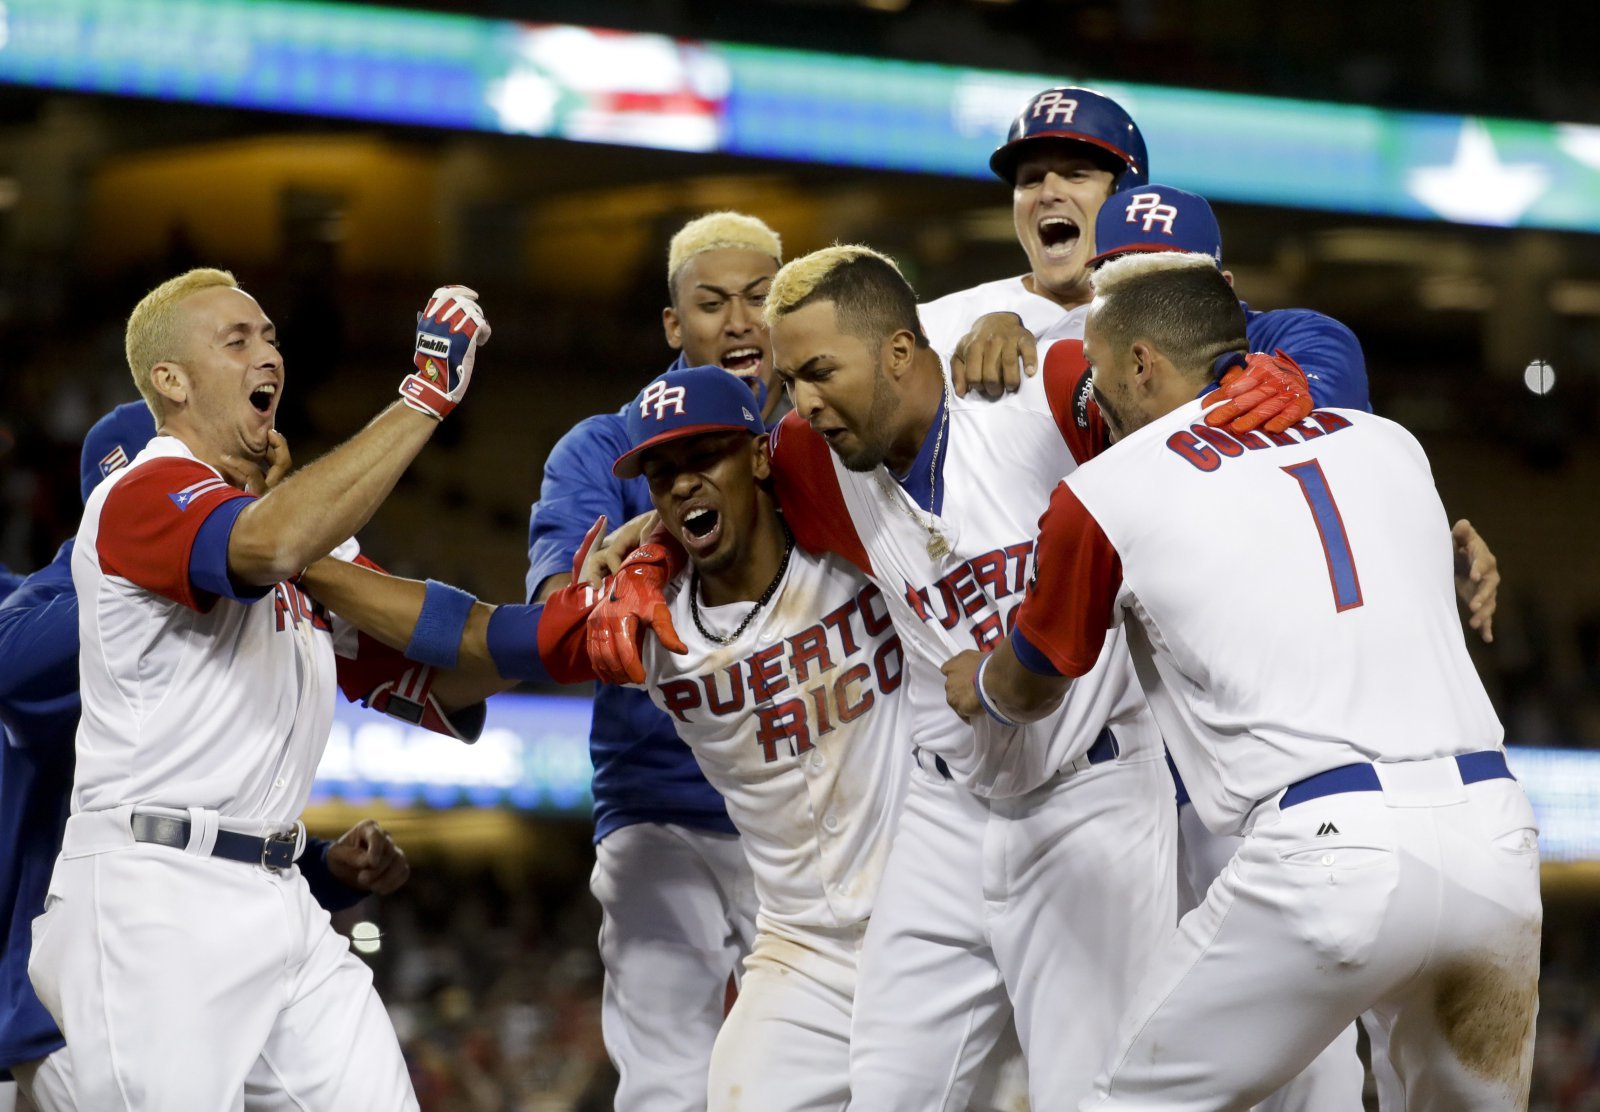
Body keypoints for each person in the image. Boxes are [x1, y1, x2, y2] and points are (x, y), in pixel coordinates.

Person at [945, 251, 1541, 1111]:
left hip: (1328, 853)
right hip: (1495, 839)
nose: (1099, 405)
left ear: (1141, 363)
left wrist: (983, 687)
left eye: (1104, 379)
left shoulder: (1109, 485)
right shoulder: (1391, 443)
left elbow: (1036, 682)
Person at [298, 365, 913, 1112]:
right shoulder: (640, 623)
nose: (683, 484)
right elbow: (474, 632)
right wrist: (302, 560)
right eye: (661, 472)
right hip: (804, 941)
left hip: (923, 905)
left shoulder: (854, 544)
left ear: (759, 455)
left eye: (704, 455)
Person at [27, 269, 490, 1111]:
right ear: (171, 381)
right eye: (235, 340)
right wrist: (422, 396)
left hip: (280, 895)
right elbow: (268, 546)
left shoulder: (299, 539)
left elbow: (442, 658)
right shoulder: (144, 490)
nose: (266, 351)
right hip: (155, 895)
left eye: (270, 336)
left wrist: (582, 621)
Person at [1, 402, 414, 1112]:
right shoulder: (48, 603)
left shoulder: (234, 616)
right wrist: (160, 577)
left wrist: (316, 865)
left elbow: (198, 819)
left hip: (187, 962)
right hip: (63, 1005)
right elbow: (15, 674)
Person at [522, 212, 778, 1111]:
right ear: (675, 325)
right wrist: (612, 569)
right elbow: (561, 604)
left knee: (841, 1077)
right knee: (669, 1081)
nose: (741, 321)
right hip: (662, 802)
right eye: (713, 304)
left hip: (818, 802)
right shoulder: (603, 448)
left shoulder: (828, 428)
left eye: (761, 298)